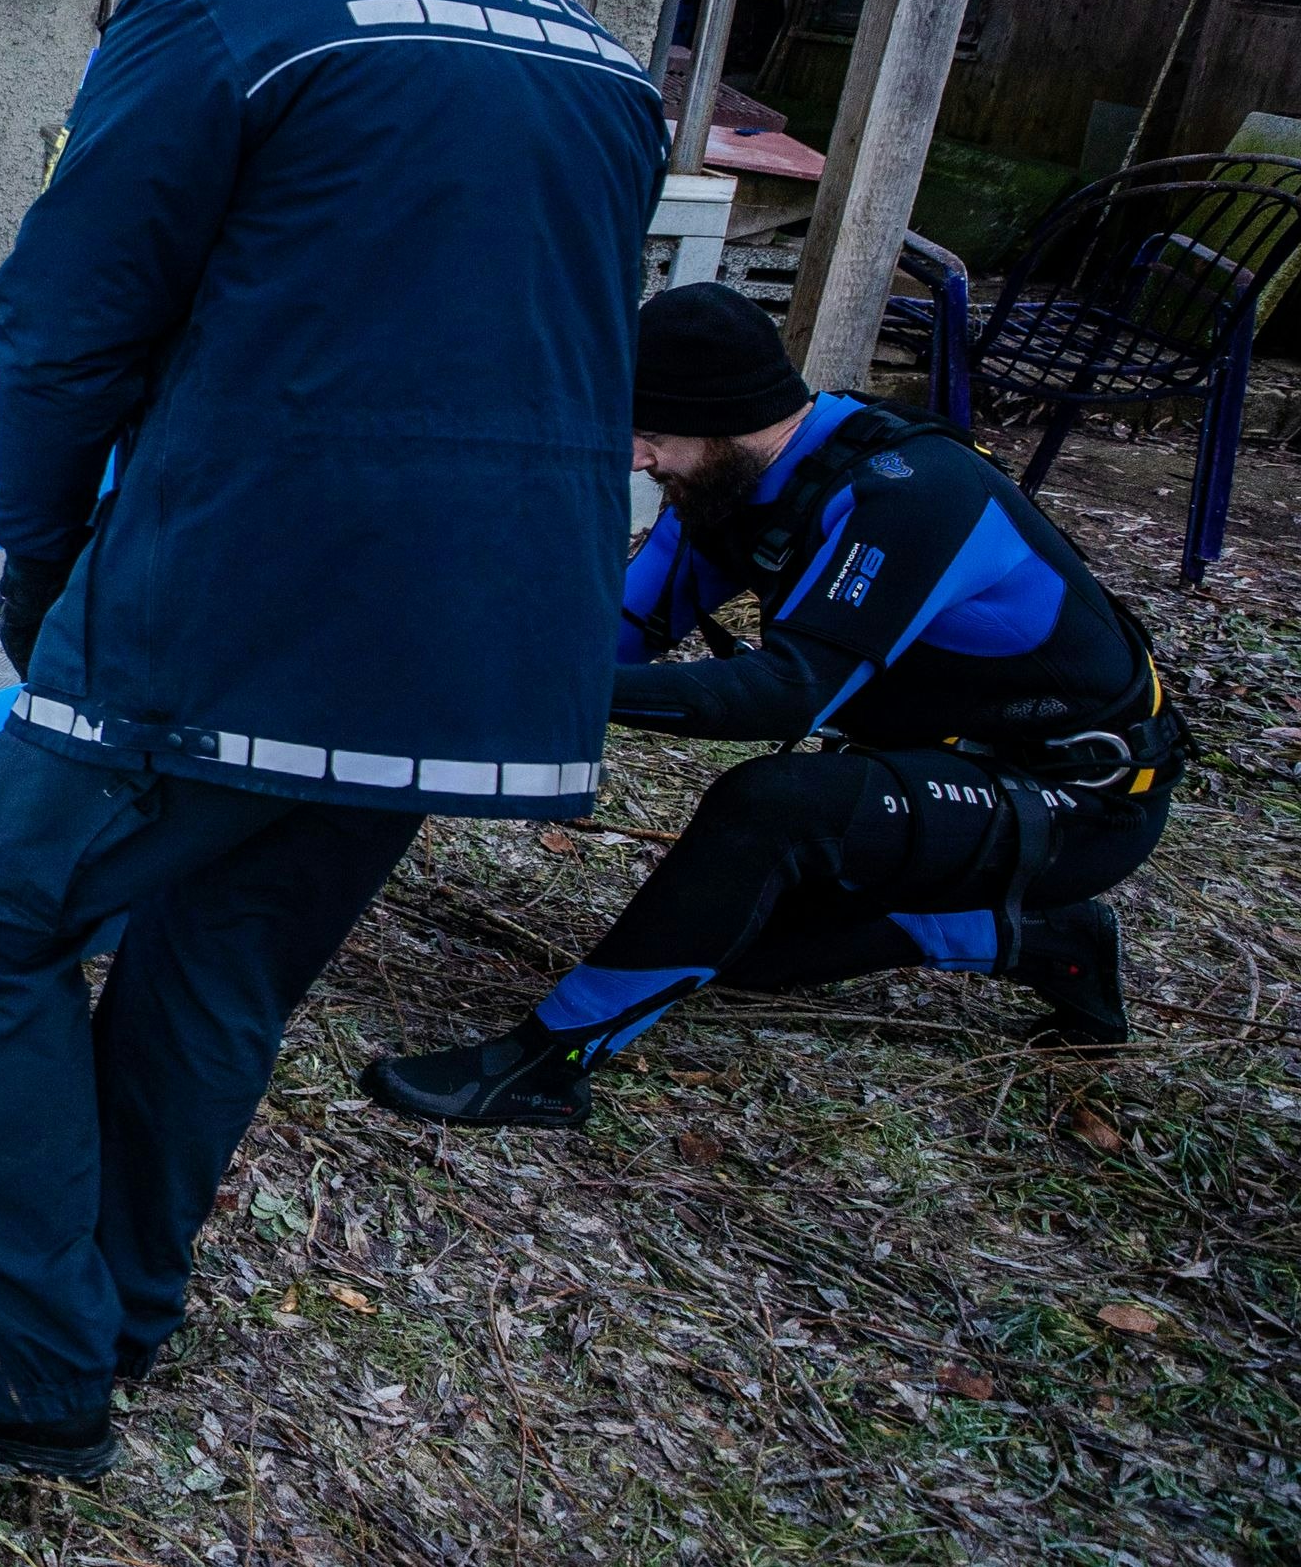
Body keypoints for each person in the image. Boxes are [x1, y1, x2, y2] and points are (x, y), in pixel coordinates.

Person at [0, 0, 667, 1477]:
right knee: (223, 957)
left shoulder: (225, 8)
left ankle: (35, 1368)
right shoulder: (591, 47)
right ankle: (119, 1304)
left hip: (257, 587)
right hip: (494, 633)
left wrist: (49, 570)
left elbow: (65, 319)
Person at [362, 283, 1179, 1125]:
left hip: (1082, 803)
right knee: (736, 949)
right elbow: (612, 635)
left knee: (772, 808)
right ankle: (1049, 939)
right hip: (941, 766)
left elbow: (782, 698)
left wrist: (545, 687)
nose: (637, 459)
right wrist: (449, 663)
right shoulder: (733, 483)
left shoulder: (914, 493)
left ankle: (546, 1064)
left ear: (722, 423)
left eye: (652, 436)